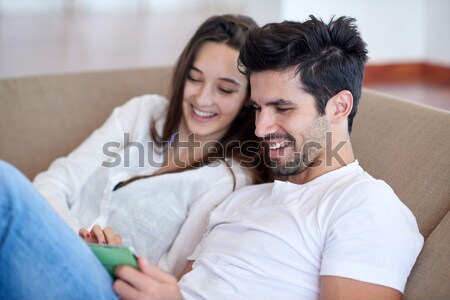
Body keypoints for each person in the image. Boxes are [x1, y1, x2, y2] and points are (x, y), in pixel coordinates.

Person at [0, 15, 423, 300]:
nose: (260, 128)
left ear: (338, 107)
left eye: (283, 108)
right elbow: (176, 284)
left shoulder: (366, 207)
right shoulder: (247, 199)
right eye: (258, 109)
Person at [31, 14, 271, 276]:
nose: (202, 98)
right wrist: (76, 241)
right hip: (48, 245)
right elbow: (53, 182)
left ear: (248, 98)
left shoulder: (227, 181)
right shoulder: (143, 112)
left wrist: (114, 258)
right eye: (194, 78)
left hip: (104, 285)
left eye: (224, 89)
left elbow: (171, 275)